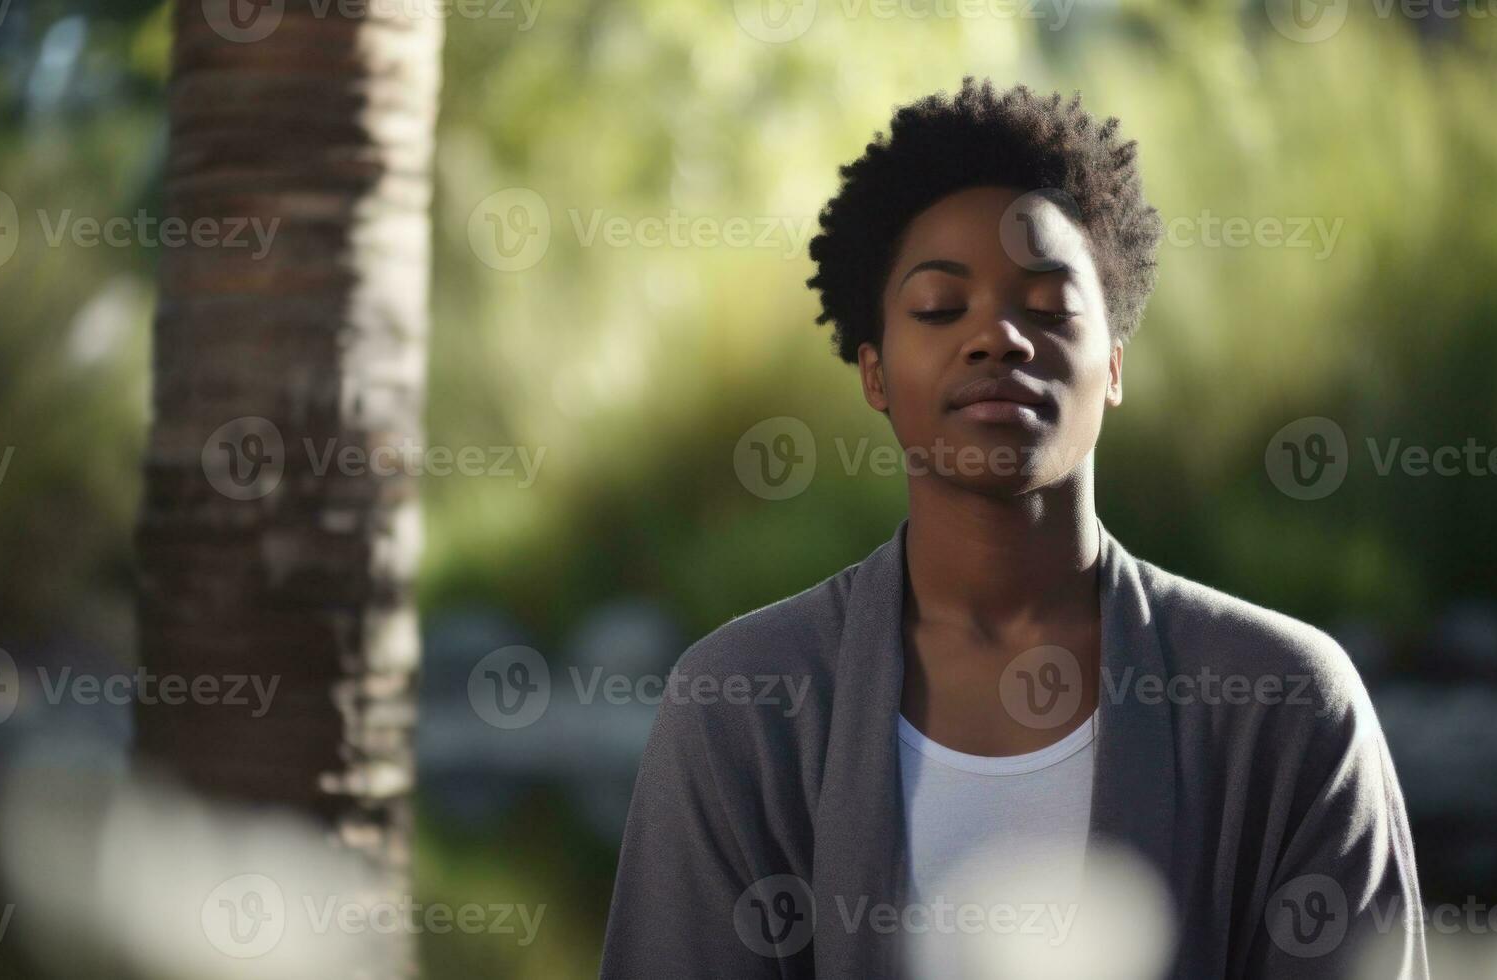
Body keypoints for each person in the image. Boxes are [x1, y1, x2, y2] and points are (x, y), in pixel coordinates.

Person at [600, 77, 1428, 980]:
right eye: (938, 308)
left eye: (1045, 306)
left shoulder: (1286, 703)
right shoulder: (739, 708)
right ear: (873, 372)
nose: (996, 337)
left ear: (1113, 364)